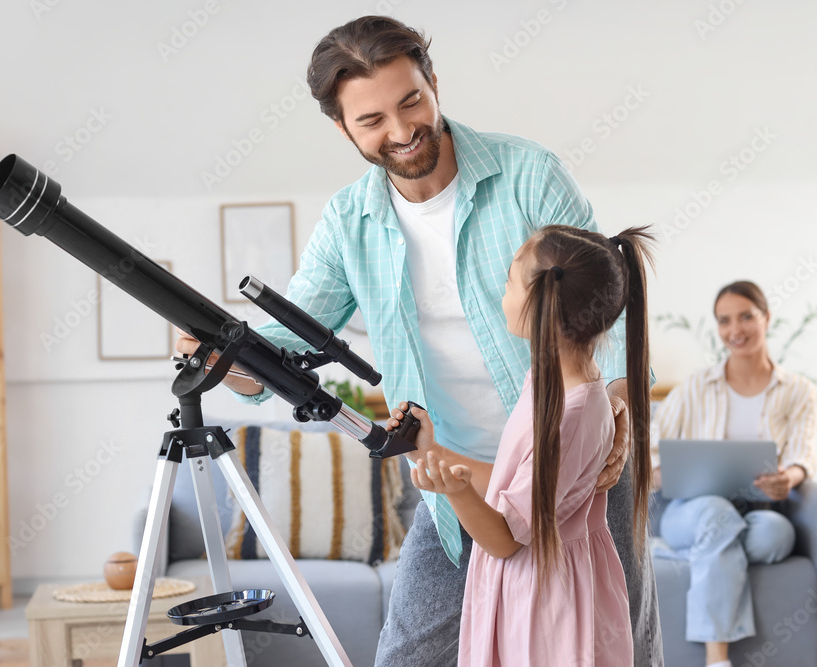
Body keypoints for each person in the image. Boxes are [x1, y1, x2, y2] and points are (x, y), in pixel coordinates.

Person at [177, 15, 663, 666]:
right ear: (342, 127)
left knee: (614, 642)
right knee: (408, 655)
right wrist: (218, 357)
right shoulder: (349, 222)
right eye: (372, 119)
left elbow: (612, 300)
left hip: (573, 467)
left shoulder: (527, 173)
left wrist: (624, 408)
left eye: (412, 101)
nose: (403, 131)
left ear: (434, 81)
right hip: (452, 473)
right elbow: (279, 344)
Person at [389, 224, 654, 665]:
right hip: (532, 590)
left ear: (543, 304)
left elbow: (505, 537)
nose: (502, 292)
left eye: (510, 281)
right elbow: (513, 487)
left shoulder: (573, 415)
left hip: (542, 609)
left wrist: (455, 493)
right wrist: (431, 452)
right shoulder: (556, 387)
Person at [651, 280, 817, 667]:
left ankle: (703, 551)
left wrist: (787, 479)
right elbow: (652, 455)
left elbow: (803, 456)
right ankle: (717, 658)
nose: (735, 330)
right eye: (724, 321)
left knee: (777, 534)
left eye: (746, 317)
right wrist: (667, 472)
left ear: (766, 318)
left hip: (759, 513)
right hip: (691, 513)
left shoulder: (798, 391)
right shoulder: (695, 388)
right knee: (714, 513)